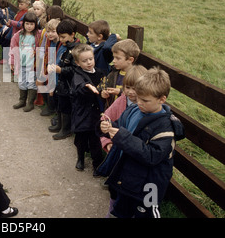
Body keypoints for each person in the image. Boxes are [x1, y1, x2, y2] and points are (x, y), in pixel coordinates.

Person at [100, 67, 185, 218]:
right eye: (138, 97)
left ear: (162, 99)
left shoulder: (165, 128)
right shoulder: (135, 110)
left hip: (151, 184)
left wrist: (122, 136)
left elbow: (152, 156)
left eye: (145, 100)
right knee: (122, 208)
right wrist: (109, 127)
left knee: (145, 214)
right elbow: (121, 126)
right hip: (129, 177)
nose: (139, 102)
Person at [96, 64, 147, 216]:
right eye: (127, 87)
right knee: (115, 188)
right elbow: (106, 117)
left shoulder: (147, 107)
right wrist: (107, 140)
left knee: (130, 190)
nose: (131, 92)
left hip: (135, 159)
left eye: (135, 88)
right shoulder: (122, 100)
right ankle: (113, 211)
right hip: (118, 153)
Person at [69, 44, 106, 173]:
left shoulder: (101, 73)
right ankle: (80, 158)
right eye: (84, 61)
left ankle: (97, 164)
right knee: (81, 138)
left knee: (95, 140)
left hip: (96, 113)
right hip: (82, 113)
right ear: (78, 63)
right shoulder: (78, 74)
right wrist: (87, 87)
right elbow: (79, 87)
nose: (89, 62)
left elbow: (103, 86)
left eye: (90, 59)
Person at [47, 19, 80, 140]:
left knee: (66, 107)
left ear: (72, 34)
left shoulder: (76, 49)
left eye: (63, 37)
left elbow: (75, 69)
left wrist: (60, 70)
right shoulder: (66, 46)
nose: (61, 40)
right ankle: (60, 125)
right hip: (62, 83)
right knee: (61, 104)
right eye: (60, 37)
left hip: (69, 84)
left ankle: (66, 129)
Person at [9, 12, 42, 112]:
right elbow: (13, 49)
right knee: (22, 82)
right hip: (21, 64)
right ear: (23, 24)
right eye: (27, 24)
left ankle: (30, 103)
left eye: (32, 24)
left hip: (32, 65)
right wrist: (12, 62)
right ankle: (22, 100)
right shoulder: (18, 35)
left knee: (31, 83)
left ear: (35, 24)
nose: (29, 26)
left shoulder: (38, 35)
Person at [100, 39, 141, 109]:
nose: (114, 61)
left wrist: (120, 92)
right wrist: (103, 92)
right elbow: (104, 85)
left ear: (130, 60)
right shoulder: (113, 73)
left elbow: (139, 93)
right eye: (114, 57)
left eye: (118, 58)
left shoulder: (137, 76)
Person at [36, 19, 60, 116]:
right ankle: (48, 104)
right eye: (48, 31)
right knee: (39, 82)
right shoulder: (48, 41)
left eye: (53, 32)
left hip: (55, 69)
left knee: (51, 88)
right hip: (47, 66)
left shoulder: (59, 43)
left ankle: (52, 108)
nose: (50, 34)